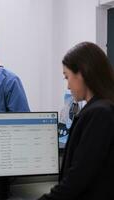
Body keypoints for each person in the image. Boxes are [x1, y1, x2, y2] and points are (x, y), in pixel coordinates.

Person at [38, 42, 114, 200]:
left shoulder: (100, 113)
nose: (68, 86)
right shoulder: (99, 108)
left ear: (81, 74)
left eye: (67, 77)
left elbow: (79, 176)